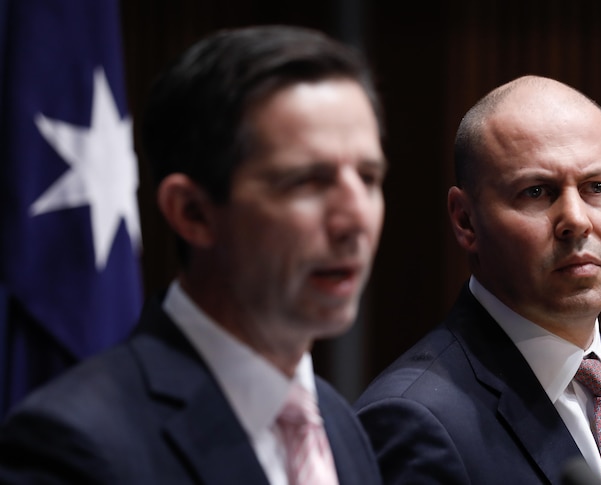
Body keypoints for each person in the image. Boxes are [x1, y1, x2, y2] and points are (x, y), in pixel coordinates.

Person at [0, 25, 386, 484]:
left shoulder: (341, 425)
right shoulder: (77, 444)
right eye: (306, 182)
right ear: (192, 213)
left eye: (369, 178)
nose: (355, 219)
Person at [354, 75, 601, 484]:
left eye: (596, 187)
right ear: (465, 220)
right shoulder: (415, 420)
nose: (576, 221)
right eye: (537, 192)